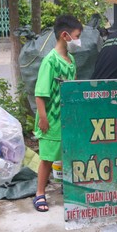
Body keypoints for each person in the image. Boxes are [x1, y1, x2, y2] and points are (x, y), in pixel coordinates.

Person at [33, 15, 82, 213]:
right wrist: (43, 119)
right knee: (47, 158)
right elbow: (39, 94)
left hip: (67, 119)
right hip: (51, 120)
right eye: (77, 36)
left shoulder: (70, 60)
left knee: (67, 154)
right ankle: (39, 193)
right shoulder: (50, 61)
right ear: (65, 35)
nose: (79, 41)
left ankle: (67, 186)